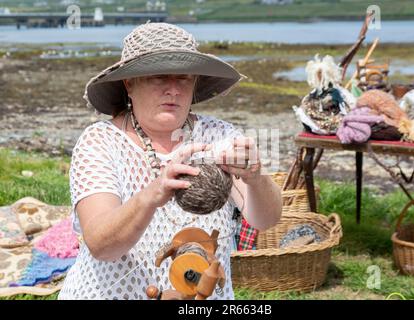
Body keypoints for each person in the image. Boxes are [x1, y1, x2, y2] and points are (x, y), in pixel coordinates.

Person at [58, 22, 282, 300]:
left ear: (195, 83)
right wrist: (153, 193)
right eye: (160, 77)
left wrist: (255, 176)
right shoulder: (100, 142)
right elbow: (101, 245)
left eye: (184, 78)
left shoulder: (221, 136)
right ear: (130, 84)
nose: (173, 89)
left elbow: (267, 220)